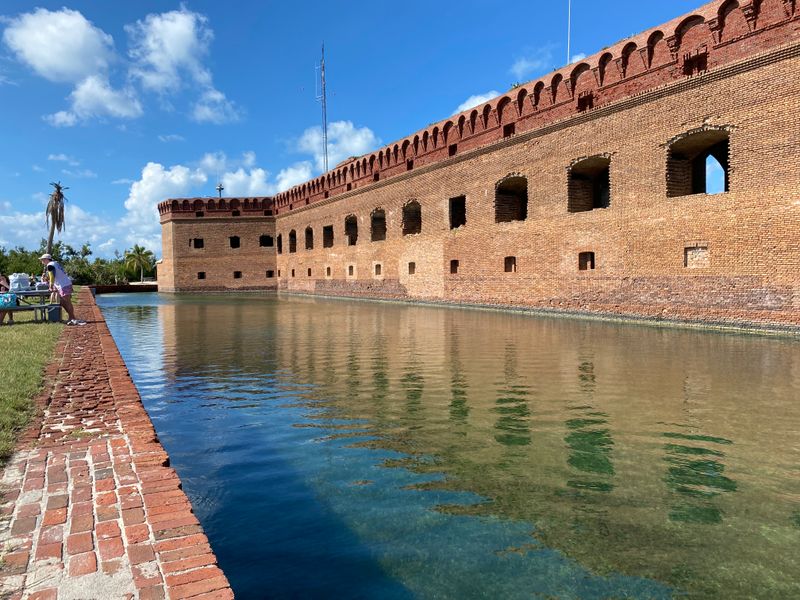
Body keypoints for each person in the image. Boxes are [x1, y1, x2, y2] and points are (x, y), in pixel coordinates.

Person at [39, 254, 85, 325]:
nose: (41, 261)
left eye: (42, 259)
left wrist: (50, 286)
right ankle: (71, 318)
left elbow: (52, 276)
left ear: (46, 259)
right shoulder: (55, 263)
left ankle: (73, 318)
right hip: (64, 284)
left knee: (67, 302)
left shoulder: (50, 265)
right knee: (62, 302)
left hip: (64, 285)